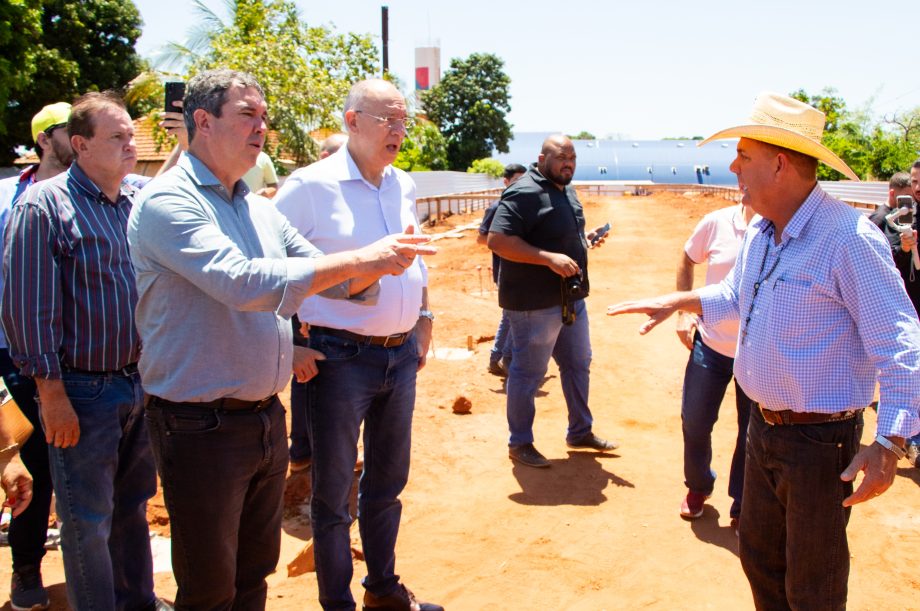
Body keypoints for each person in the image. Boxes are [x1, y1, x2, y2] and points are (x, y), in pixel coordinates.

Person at [128, 69, 432, 610]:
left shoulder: (256, 207)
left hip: (263, 417)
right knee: (209, 586)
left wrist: (392, 267)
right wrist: (370, 257)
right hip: (198, 424)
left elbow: (331, 277)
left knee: (252, 576)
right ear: (202, 122)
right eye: (248, 115)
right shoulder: (167, 202)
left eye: (263, 117)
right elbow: (242, 283)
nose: (262, 128)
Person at [607, 92, 920, 610]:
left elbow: (902, 342)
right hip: (761, 429)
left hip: (821, 445)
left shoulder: (848, 238)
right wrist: (682, 300)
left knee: (811, 586)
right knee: (759, 559)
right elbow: (735, 297)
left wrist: (890, 444)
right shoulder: (761, 232)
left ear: (779, 164)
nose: (733, 167)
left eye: (743, 156)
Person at [273, 78, 442, 611]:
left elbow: (411, 257)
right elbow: (274, 273)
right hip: (338, 356)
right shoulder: (308, 188)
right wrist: (290, 343)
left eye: (402, 120)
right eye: (386, 119)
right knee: (332, 496)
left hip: (400, 355)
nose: (398, 129)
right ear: (351, 121)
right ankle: (337, 603)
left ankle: (382, 589)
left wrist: (424, 315)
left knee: (388, 483)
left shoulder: (403, 185)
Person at [1, 92, 163, 611]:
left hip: (137, 383)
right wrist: (51, 395)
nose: (130, 146)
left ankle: (136, 601)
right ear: (80, 145)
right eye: (116, 137)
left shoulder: (133, 202)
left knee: (131, 508)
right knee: (87, 520)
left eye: (131, 135)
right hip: (80, 390)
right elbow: (27, 311)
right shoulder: (43, 206)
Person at [487, 134, 617, 469]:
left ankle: (580, 431)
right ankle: (520, 443)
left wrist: (583, 243)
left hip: (570, 299)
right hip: (534, 305)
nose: (568, 163)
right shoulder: (523, 191)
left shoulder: (567, 191)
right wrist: (547, 258)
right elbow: (498, 240)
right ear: (542, 157)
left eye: (572, 157)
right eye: (561, 156)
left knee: (578, 365)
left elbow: (559, 236)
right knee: (528, 373)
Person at [0, 101, 74, 611]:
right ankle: (25, 569)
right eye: (75, 131)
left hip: (83, 359)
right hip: (18, 359)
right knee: (33, 469)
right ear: (47, 139)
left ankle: (105, 576)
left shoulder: (97, 194)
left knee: (95, 472)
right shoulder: (8, 199)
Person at [675, 202, 755, 530]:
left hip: (755, 353)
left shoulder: (778, 227)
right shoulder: (716, 222)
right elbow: (687, 258)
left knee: (752, 433)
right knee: (694, 420)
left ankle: (742, 500)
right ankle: (698, 485)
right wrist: (684, 311)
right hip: (710, 343)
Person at [287, 130, 351, 474]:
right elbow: (286, 261)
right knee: (307, 375)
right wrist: (303, 309)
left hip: (332, 308)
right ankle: (302, 449)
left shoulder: (344, 197)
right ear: (326, 158)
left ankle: (312, 449)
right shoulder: (306, 192)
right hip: (307, 310)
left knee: (320, 378)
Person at [477, 163, 527, 376]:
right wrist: (506, 241)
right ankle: (503, 359)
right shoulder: (497, 207)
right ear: (505, 182)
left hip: (519, 270)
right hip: (504, 271)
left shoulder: (522, 207)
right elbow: (481, 238)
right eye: (516, 181)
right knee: (514, 315)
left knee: (510, 316)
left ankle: (497, 358)